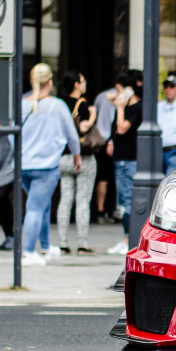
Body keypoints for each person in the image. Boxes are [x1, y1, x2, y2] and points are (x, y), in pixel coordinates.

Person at [19, 64, 81, 266]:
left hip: (23, 166)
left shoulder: (21, 105)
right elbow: (72, 134)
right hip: (46, 167)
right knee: (36, 208)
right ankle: (28, 252)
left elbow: (12, 136)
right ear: (50, 82)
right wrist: (77, 155)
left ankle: (45, 247)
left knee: (41, 206)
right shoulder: (57, 105)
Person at [57, 71, 98, 255]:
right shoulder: (82, 104)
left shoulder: (59, 104)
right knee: (82, 201)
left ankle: (62, 242)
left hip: (63, 157)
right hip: (83, 157)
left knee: (65, 200)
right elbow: (83, 127)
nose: (85, 84)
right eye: (82, 81)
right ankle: (83, 244)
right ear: (76, 84)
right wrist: (92, 116)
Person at [106, 74, 142, 255]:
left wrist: (120, 106)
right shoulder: (124, 105)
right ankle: (126, 237)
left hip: (130, 159)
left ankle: (129, 239)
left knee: (128, 200)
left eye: (120, 90)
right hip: (120, 158)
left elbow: (122, 128)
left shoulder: (136, 107)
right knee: (122, 201)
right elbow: (108, 97)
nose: (117, 95)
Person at [92, 81, 119, 223]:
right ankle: (112, 210)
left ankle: (101, 210)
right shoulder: (120, 97)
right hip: (111, 139)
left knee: (103, 178)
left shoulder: (100, 96)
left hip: (101, 139)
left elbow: (96, 116)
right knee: (115, 177)